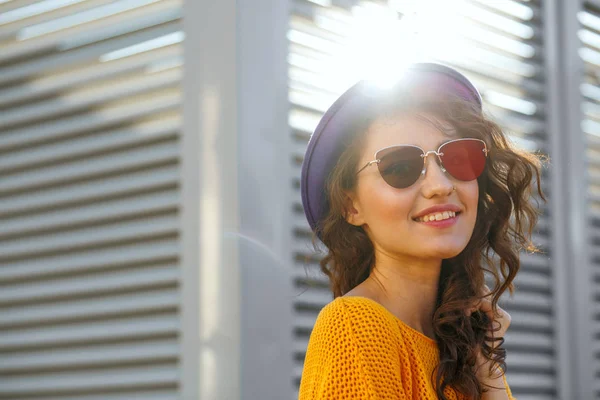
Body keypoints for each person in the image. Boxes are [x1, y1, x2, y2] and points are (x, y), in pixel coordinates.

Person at [297, 63, 544, 399]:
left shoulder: (460, 347)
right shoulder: (353, 328)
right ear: (351, 206)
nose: (440, 186)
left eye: (458, 157)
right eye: (400, 166)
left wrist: (486, 363)